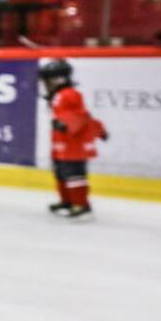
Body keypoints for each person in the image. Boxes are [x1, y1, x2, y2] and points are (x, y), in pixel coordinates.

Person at [38, 59, 108, 219]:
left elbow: (82, 115)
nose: (45, 84)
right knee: (61, 172)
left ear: (58, 79)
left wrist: (67, 125)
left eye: (48, 80)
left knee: (74, 174)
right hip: (61, 142)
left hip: (74, 143)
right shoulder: (57, 96)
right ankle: (67, 200)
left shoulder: (70, 94)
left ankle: (81, 204)